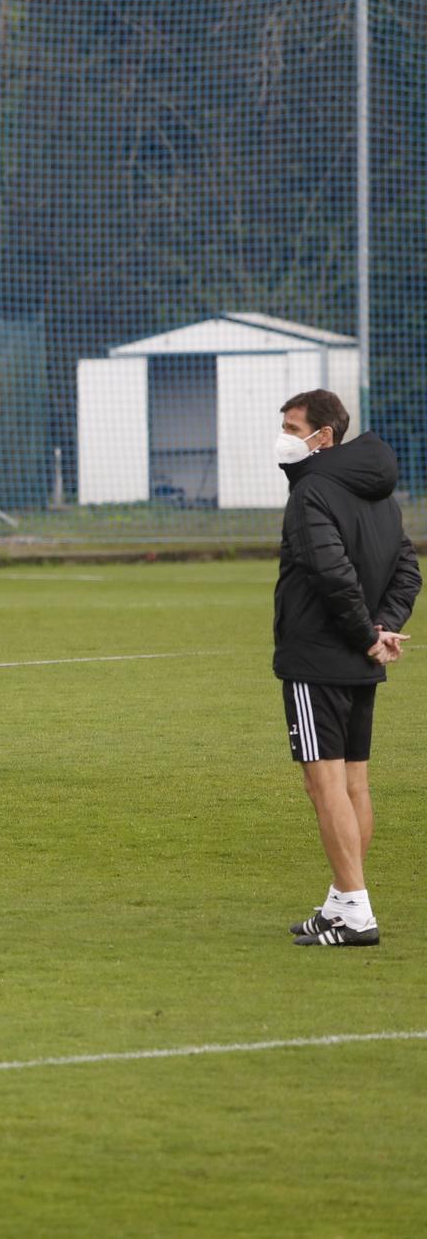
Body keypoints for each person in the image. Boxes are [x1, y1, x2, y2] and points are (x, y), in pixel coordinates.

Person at [272, 388, 418, 948]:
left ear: (323, 436)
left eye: (291, 426)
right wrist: (381, 631)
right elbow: (408, 568)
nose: (283, 436)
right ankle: (341, 899)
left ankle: (355, 912)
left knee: (323, 781)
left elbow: (329, 573)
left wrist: (365, 634)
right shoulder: (379, 492)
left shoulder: (312, 491)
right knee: (353, 781)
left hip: (317, 656)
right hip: (359, 658)